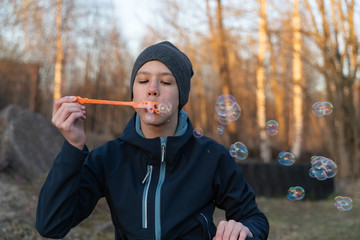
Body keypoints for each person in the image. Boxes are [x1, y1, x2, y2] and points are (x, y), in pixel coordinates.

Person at [36, 41, 269, 240]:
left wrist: (244, 230)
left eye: (166, 82)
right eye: (143, 81)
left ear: (181, 96)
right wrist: (73, 147)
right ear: (133, 93)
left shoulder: (212, 156)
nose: (153, 90)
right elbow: (51, 225)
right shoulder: (108, 158)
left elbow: (254, 218)